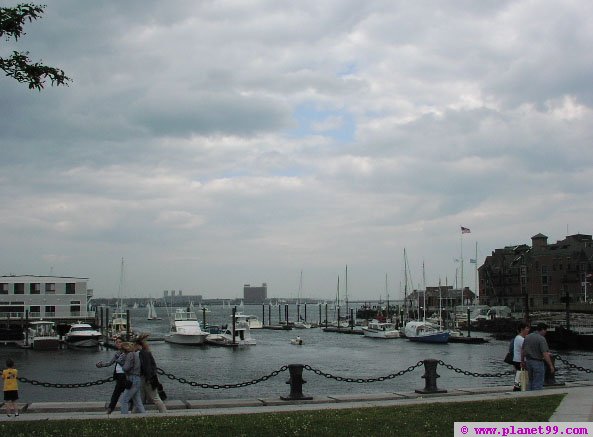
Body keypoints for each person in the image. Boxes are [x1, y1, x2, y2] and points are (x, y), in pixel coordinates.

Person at [135, 334, 166, 413]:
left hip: (146, 378)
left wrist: (148, 378)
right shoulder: (147, 352)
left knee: (154, 397)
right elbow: (152, 365)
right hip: (149, 377)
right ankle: (136, 412)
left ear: (138, 345)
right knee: (141, 397)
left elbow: (146, 367)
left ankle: (164, 412)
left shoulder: (142, 353)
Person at [96, 336, 126, 414]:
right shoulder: (118, 353)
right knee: (126, 394)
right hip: (118, 376)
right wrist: (101, 365)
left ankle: (110, 409)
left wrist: (118, 360)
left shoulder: (127, 353)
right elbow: (110, 363)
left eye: (120, 342)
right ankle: (135, 409)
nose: (118, 344)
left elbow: (126, 364)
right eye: (116, 342)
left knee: (116, 393)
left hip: (124, 376)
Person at [522, 322, 555, 390]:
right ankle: (536, 395)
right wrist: (551, 365)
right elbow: (545, 353)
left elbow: (523, 351)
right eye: (545, 331)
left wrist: (522, 361)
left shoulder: (527, 337)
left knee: (530, 381)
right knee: (538, 382)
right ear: (542, 330)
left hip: (528, 361)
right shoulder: (541, 339)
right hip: (538, 362)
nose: (545, 332)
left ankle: (529, 395)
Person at [120, 341, 146, 414]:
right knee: (138, 401)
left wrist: (121, 363)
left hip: (132, 379)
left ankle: (123, 417)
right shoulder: (136, 355)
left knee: (124, 400)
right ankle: (144, 416)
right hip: (137, 378)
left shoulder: (129, 355)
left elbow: (126, 368)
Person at [511, 322, 529, 391]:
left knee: (519, 378)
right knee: (520, 378)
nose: (528, 330)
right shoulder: (521, 339)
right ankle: (518, 390)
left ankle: (518, 388)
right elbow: (525, 350)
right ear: (522, 329)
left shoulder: (517, 338)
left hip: (517, 360)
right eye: (526, 328)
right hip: (520, 361)